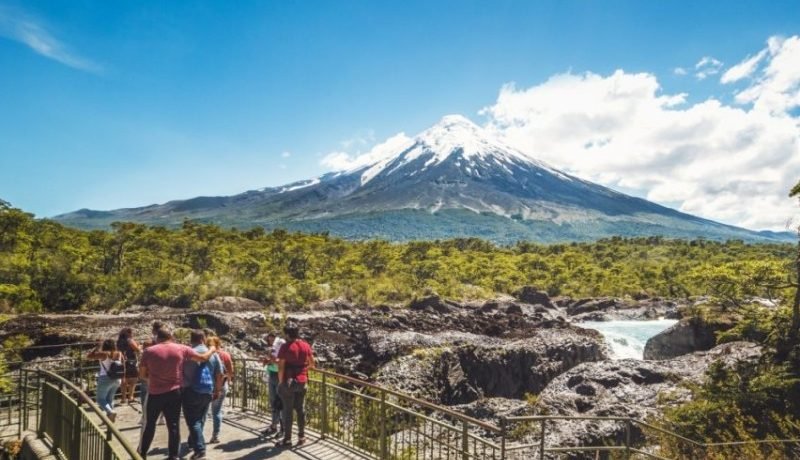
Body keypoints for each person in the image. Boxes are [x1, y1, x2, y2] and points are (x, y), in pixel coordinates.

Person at [138, 327, 217, 460]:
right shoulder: (181, 348)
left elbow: (141, 375)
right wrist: (212, 349)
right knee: (173, 425)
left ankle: (142, 453)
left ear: (157, 338)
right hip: (175, 392)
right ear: (171, 337)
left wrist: (152, 380)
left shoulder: (148, 351)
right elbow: (203, 358)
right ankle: (174, 456)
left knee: (150, 424)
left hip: (155, 393)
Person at [181, 330, 223, 460]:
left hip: (190, 391)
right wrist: (217, 391)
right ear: (203, 339)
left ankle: (200, 451)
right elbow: (220, 374)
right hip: (207, 391)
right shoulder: (214, 355)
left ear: (191, 339)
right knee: (200, 418)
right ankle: (192, 442)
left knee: (193, 421)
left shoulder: (187, 353)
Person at [275, 324, 314, 447]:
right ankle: (301, 437)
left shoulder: (285, 347)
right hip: (302, 381)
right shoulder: (305, 345)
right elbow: (312, 364)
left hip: (288, 382)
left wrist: (281, 382)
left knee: (288, 411)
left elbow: (281, 366)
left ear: (287, 334)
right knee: (300, 409)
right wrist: (302, 370)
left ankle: (287, 439)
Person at [86, 339, 125, 422]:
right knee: (110, 399)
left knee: (100, 399)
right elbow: (123, 366)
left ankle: (110, 412)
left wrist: (97, 347)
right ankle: (109, 420)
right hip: (117, 379)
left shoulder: (103, 354)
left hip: (105, 378)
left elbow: (88, 356)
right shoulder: (119, 353)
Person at [206, 336, 234, 444]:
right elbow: (231, 372)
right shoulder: (225, 355)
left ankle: (196, 437)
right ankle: (215, 436)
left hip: (207, 386)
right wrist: (228, 379)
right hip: (222, 385)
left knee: (202, 412)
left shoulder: (206, 355)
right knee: (217, 411)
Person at [261, 332, 285, 437]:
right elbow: (273, 362)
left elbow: (280, 362)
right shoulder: (272, 349)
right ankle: (274, 425)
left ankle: (283, 428)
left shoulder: (280, 346)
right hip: (272, 374)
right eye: (269, 339)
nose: (270, 341)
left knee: (280, 403)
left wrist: (271, 360)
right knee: (273, 402)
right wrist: (267, 361)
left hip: (278, 375)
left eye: (272, 339)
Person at [117, 327, 142, 404]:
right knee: (133, 379)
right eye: (131, 332)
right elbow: (137, 349)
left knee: (124, 379)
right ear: (128, 333)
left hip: (122, 361)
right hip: (131, 361)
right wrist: (140, 346)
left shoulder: (119, 341)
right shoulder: (129, 340)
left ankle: (123, 398)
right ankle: (130, 397)